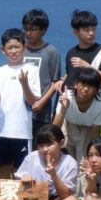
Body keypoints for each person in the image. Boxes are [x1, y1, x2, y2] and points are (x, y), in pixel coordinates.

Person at [0, 28, 40, 200]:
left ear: (24, 47)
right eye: (9, 48)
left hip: (21, 130)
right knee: (3, 167)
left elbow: (33, 101)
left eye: (17, 47)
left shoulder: (32, 70)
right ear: (3, 50)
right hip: (0, 129)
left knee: (21, 170)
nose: (14, 51)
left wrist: (24, 83)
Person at [6, 124, 80, 200]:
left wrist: (54, 175)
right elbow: (18, 183)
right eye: (41, 145)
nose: (45, 149)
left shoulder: (70, 163)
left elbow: (65, 194)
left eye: (49, 144)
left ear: (61, 143)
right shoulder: (32, 158)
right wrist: (24, 179)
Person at [52, 67, 101, 200]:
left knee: (85, 162)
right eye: (83, 84)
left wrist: (92, 154)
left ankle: (86, 197)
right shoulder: (66, 97)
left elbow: (95, 134)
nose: (86, 89)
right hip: (67, 124)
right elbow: (55, 128)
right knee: (64, 159)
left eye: (91, 86)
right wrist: (63, 108)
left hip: (87, 129)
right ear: (76, 84)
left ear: (97, 90)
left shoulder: (99, 106)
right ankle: (63, 192)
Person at [22, 9, 61, 139]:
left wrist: (41, 102)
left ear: (43, 30)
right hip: (21, 109)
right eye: (26, 29)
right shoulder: (21, 50)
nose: (28, 33)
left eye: (33, 29)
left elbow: (55, 82)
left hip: (42, 112)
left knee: (40, 144)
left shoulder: (51, 52)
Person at [58, 10, 101, 92]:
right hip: (70, 98)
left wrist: (87, 66)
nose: (91, 33)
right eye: (87, 30)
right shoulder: (71, 52)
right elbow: (70, 74)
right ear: (76, 32)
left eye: (94, 29)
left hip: (94, 98)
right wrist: (62, 80)